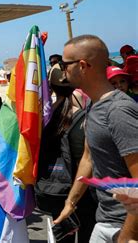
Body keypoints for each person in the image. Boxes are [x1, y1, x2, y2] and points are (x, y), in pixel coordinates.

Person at [53, 35, 138, 243]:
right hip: (105, 221)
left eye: (65, 64)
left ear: (82, 65)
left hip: (126, 225)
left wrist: (126, 237)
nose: (62, 70)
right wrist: (70, 203)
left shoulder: (118, 111)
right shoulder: (93, 104)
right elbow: (88, 157)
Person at [36, 64, 96, 242]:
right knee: (87, 232)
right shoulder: (84, 116)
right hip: (83, 187)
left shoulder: (44, 117)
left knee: (63, 235)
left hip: (56, 186)